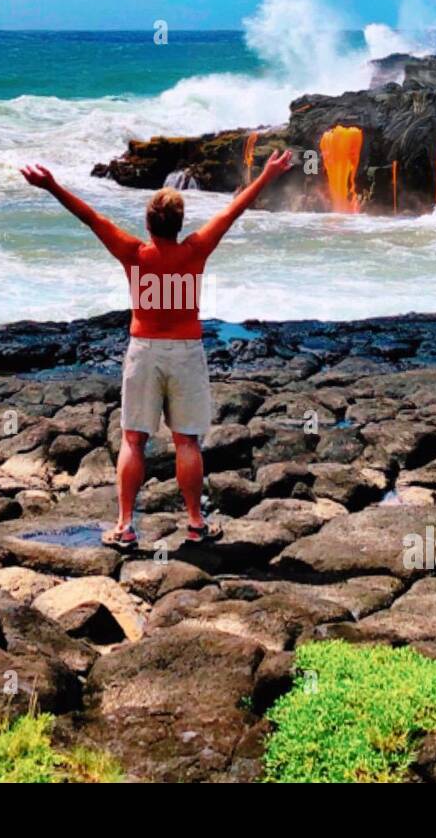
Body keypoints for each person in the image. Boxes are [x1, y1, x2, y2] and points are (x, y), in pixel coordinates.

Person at [20, 149, 294, 548]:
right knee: (186, 441)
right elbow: (234, 211)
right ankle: (196, 523)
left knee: (133, 440)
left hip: (144, 351)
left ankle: (126, 525)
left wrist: (50, 186)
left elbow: (90, 217)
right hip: (185, 350)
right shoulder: (195, 251)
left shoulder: (135, 254)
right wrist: (267, 175)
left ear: (148, 223)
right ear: (180, 223)